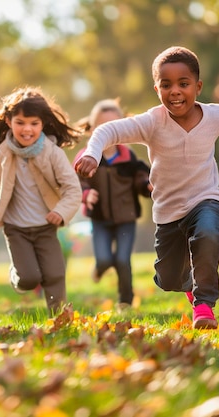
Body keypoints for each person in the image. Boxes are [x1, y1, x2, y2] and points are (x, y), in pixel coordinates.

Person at [75, 46, 219, 329]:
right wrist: (92, 152)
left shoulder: (215, 116)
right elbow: (107, 131)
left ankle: (204, 305)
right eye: (166, 85)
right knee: (169, 279)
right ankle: (186, 283)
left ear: (197, 86)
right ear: (156, 89)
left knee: (208, 234)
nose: (175, 91)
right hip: (168, 211)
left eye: (183, 84)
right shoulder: (152, 122)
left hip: (205, 198)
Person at [0, 86, 82, 315]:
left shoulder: (52, 152)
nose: (27, 129)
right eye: (20, 122)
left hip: (46, 225)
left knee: (54, 273)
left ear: (43, 124)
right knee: (29, 278)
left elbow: (72, 188)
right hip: (16, 227)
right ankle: (17, 275)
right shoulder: (4, 152)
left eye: (34, 124)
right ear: (9, 121)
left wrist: (61, 211)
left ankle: (59, 318)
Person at [74, 98, 152, 308]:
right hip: (100, 219)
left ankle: (125, 300)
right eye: (103, 127)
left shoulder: (128, 156)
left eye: (114, 127)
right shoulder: (87, 157)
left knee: (122, 260)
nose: (109, 132)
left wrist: (147, 185)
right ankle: (100, 268)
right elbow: (74, 182)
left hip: (126, 217)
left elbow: (140, 177)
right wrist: (86, 193)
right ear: (92, 130)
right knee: (105, 259)